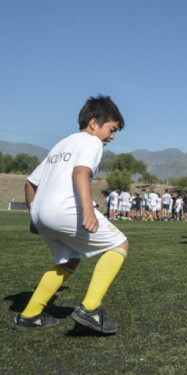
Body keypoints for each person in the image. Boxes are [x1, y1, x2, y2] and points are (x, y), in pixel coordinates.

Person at [12, 95, 127, 334]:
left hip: (42, 212)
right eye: (112, 129)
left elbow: (30, 183)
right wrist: (88, 211)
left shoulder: (62, 144)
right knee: (120, 245)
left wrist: (33, 216)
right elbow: (81, 172)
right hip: (64, 209)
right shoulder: (92, 142)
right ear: (94, 123)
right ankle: (91, 309)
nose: (112, 137)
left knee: (69, 259)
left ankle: (29, 315)